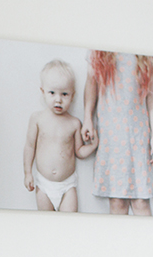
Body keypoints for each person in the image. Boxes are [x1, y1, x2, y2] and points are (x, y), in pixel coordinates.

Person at [82, 51, 153, 216]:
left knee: (141, 202)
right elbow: (91, 85)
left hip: (138, 138)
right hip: (112, 138)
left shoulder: (145, 57)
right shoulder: (100, 54)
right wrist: (87, 118)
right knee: (117, 201)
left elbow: (152, 99)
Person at [23, 60, 98, 212]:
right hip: (43, 185)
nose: (58, 99)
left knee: (69, 223)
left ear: (72, 95)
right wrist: (27, 173)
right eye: (52, 93)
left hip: (67, 186)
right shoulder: (37, 119)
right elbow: (29, 147)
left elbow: (79, 152)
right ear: (43, 92)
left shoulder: (74, 123)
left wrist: (93, 145)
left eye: (64, 94)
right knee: (46, 223)